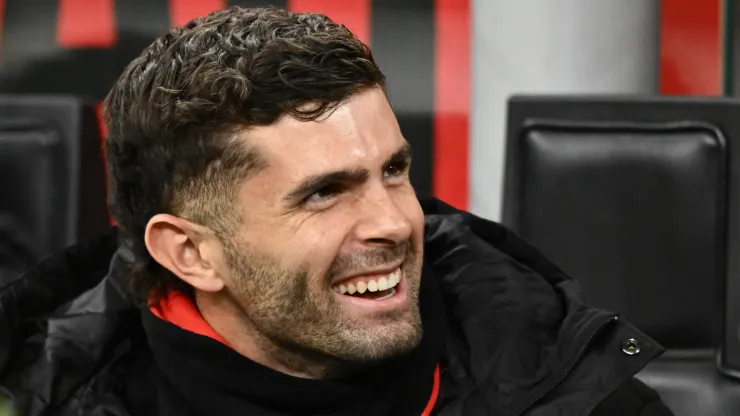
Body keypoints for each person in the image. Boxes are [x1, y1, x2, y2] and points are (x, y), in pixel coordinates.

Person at [0, 6, 674, 416]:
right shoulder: (42, 396)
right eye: (324, 192)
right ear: (190, 254)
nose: (393, 222)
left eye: (394, 171)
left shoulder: (571, 388)